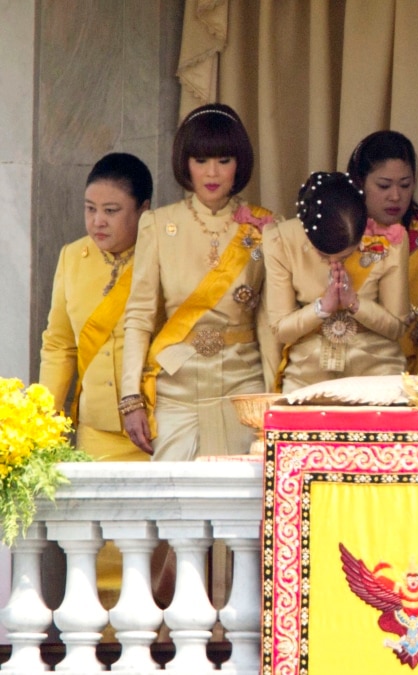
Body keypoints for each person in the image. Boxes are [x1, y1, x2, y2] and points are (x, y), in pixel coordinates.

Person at [120, 103, 277, 460]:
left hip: (243, 386)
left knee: (241, 506)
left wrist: (275, 392)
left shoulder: (263, 227)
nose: (212, 172)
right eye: (201, 160)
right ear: (185, 163)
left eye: (224, 160)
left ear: (240, 164)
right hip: (176, 387)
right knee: (173, 504)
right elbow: (139, 316)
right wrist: (131, 398)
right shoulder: (157, 225)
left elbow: (268, 321)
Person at [39, 153, 153, 461]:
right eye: (90, 209)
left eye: (111, 211)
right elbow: (59, 346)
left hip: (155, 427)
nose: (97, 221)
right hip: (96, 429)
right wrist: (44, 420)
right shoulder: (72, 256)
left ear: (144, 210)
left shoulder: (162, 255)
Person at [263, 172, 411, 393]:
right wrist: (321, 308)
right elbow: (280, 329)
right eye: (324, 254)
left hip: (377, 366)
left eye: (345, 256)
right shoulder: (281, 240)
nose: (334, 263)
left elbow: (397, 327)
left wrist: (355, 303)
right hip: (307, 371)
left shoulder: (389, 241)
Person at [347, 131, 418, 371]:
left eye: (405, 184)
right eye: (383, 185)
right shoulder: (338, 232)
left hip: (403, 374)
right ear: (359, 182)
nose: (396, 196)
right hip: (337, 368)